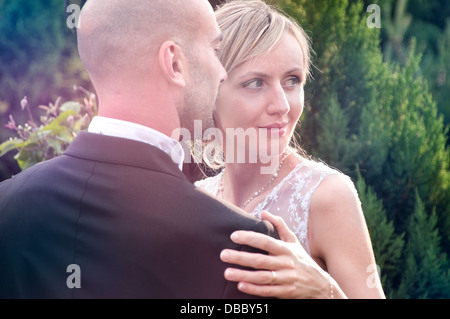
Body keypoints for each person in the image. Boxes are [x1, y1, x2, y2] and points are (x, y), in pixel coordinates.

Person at [0, 0, 279, 298]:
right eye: (215, 50)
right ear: (174, 63)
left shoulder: (7, 206)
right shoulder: (241, 248)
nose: (222, 72)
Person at [195, 0, 385, 299]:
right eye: (256, 83)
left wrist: (325, 292)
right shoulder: (196, 199)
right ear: (210, 91)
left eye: (292, 81)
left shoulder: (327, 197)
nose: (282, 105)